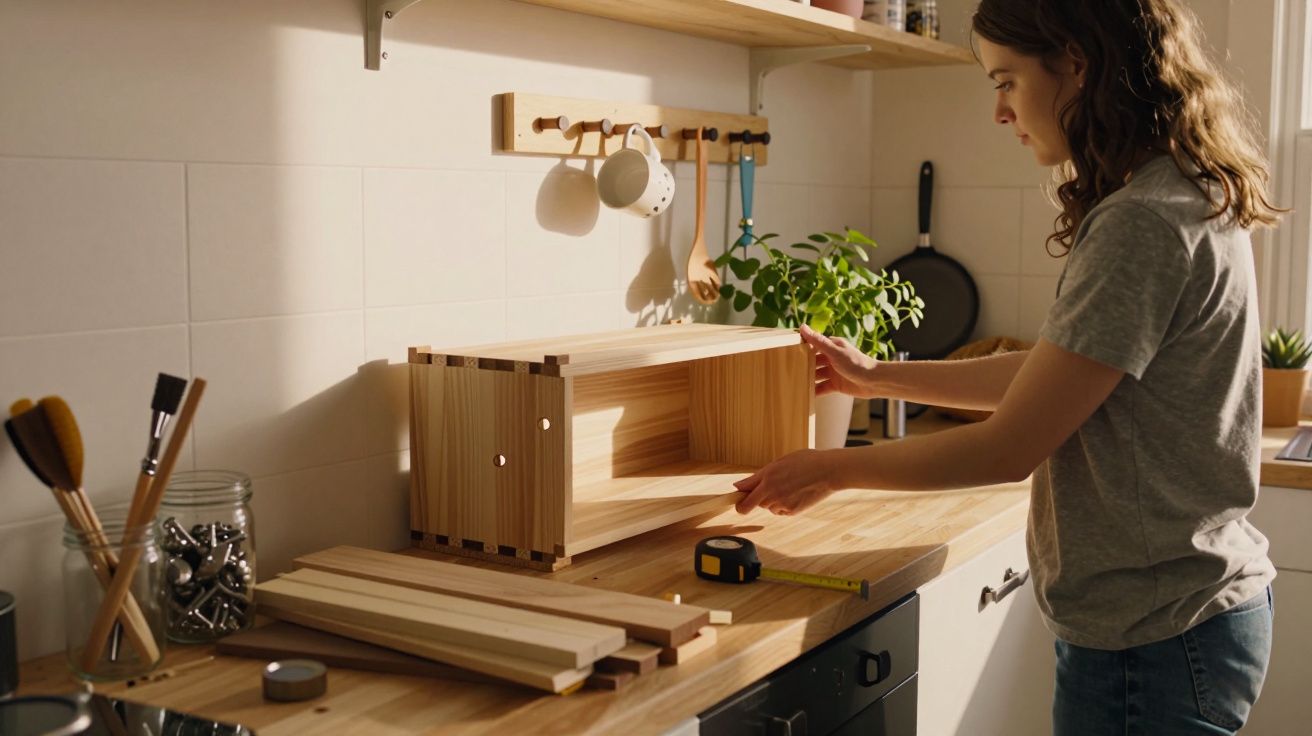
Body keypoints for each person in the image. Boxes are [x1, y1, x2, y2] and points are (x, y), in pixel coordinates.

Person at [732, 1, 1283, 733]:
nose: (999, 111)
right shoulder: (1177, 190)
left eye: (1007, 80)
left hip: (1153, 638)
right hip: (1183, 619)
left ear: (1076, 64)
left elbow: (1010, 448)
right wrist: (876, 376)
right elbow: (1059, 377)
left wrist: (829, 471)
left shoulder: (1142, 220)